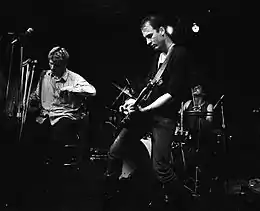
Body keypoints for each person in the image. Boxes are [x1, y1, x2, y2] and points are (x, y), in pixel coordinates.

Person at [104, 15, 194, 210]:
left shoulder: (179, 54)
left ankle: (186, 202)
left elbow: (172, 93)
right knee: (115, 152)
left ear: (162, 30)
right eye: (144, 38)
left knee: (161, 168)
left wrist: (145, 108)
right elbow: (148, 90)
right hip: (146, 115)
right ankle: (109, 197)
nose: (147, 42)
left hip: (164, 118)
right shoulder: (156, 59)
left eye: (149, 36)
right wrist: (132, 102)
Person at [24, 46, 96, 198]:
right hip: (46, 115)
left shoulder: (73, 78)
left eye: (56, 66)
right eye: (50, 64)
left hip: (65, 115)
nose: (52, 68)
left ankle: (56, 181)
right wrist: (30, 100)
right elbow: (38, 94)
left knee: (57, 138)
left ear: (64, 65)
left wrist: (72, 88)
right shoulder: (45, 75)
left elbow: (92, 91)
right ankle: (35, 178)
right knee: (29, 135)